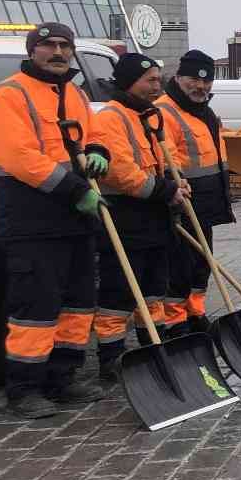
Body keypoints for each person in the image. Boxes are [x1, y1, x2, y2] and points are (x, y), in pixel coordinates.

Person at [0, 23, 111, 418]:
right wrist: (75, 189)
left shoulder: (73, 93)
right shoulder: (9, 95)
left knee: (77, 302)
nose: (57, 52)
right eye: (48, 45)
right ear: (32, 50)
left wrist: (99, 149)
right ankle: (24, 389)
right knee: (35, 307)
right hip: (32, 217)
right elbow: (19, 157)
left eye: (64, 45)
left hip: (75, 217)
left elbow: (91, 132)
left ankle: (63, 377)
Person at [90, 54, 189, 382]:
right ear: (130, 81)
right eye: (150, 80)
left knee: (153, 289)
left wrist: (178, 181)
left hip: (155, 216)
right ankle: (112, 357)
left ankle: (154, 345)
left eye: (159, 79)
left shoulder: (150, 115)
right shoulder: (111, 118)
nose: (156, 86)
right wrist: (165, 191)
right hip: (125, 216)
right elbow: (119, 171)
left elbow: (168, 156)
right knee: (118, 293)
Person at [157, 50, 235, 332]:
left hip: (207, 199)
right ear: (178, 78)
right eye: (193, 79)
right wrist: (175, 181)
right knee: (179, 265)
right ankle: (175, 321)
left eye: (206, 81)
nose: (200, 86)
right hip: (182, 201)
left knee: (201, 263)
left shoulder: (206, 112)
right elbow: (167, 154)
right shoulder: (165, 111)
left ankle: (195, 312)